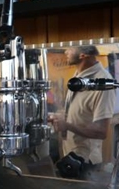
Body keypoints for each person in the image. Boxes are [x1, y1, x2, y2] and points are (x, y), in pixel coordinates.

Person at [49, 45, 115, 178]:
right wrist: (60, 116)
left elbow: (101, 131)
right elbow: (81, 112)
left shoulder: (102, 83)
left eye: (70, 48)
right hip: (69, 155)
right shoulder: (78, 76)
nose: (66, 51)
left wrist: (67, 125)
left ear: (83, 55)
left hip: (85, 161)